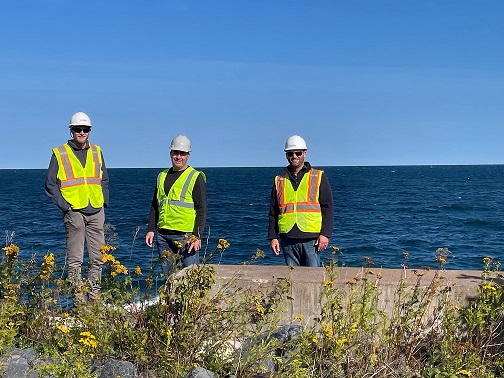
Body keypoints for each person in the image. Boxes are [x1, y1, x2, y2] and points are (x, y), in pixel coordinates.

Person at [45, 111, 109, 303]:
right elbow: (50, 185)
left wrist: (104, 200)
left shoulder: (97, 151)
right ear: (71, 131)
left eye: (85, 129)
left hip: (96, 209)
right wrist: (66, 207)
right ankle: (78, 302)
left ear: (89, 131)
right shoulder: (60, 153)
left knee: (98, 258)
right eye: (78, 129)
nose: (82, 132)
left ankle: (94, 298)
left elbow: (103, 178)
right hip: (74, 212)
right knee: (75, 260)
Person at [145, 135, 207, 276]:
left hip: (185, 236)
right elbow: (155, 204)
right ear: (170, 153)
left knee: (190, 278)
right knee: (168, 278)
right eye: (175, 152)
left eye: (182, 153)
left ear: (188, 155)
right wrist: (150, 229)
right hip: (163, 235)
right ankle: (169, 299)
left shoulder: (195, 177)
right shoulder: (161, 176)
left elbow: (202, 209)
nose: (178, 156)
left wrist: (197, 236)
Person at [268, 135, 334, 267]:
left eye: (298, 153)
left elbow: (328, 207)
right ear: (286, 155)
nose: (294, 156)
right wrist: (273, 237)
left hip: (311, 240)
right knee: (292, 279)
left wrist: (325, 234)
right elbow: (273, 211)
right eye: (290, 153)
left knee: (313, 279)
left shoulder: (318, 176)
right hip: (287, 239)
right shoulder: (279, 180)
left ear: (304, 153)